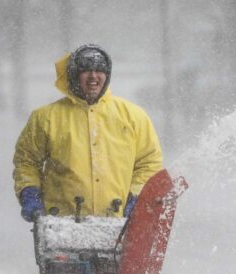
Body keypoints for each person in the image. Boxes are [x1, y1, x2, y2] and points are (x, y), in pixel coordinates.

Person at [12, 44, 163, 221]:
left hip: (119, 225)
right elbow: (27, 162)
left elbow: (149, 162)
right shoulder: (45, 118)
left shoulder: (133, 116)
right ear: (73, 74)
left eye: (100, 70)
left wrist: (137, 197)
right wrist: (30, 193)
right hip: (60, 225)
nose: (93, 76)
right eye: (86, 70)